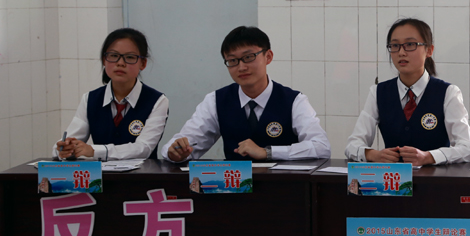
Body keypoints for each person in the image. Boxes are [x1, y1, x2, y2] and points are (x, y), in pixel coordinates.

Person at [162, 26, 330, 162]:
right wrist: (175, 153)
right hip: (232, 187)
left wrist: (268, 152)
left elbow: (322, 147)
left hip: (282, 186)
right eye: (232, 60)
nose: (241, 67)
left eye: (248, 57)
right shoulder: (216, 100)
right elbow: (181, 144)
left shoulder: (294, 100)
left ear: (268, 57)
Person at [344, 18, 470, 166]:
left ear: (429, 50)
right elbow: (352, 145)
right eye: (395, 45)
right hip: (392, 178)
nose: (401, 52)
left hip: (435, 178)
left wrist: (429, 156)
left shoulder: (448, 92)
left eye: (410, 45)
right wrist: (373, 155)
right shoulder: (378, 92)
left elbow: (468, 149)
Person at [54, 28, 169, 161]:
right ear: (104, 60)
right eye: (113, 56)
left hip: (142, 174)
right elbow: (69, 140)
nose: (120, 63)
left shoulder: (157, 101)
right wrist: (65, 149)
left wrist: (94, 151)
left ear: (143, 63)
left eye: (130, 57)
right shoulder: (90, 99)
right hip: (101, 174)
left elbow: (143, 148)